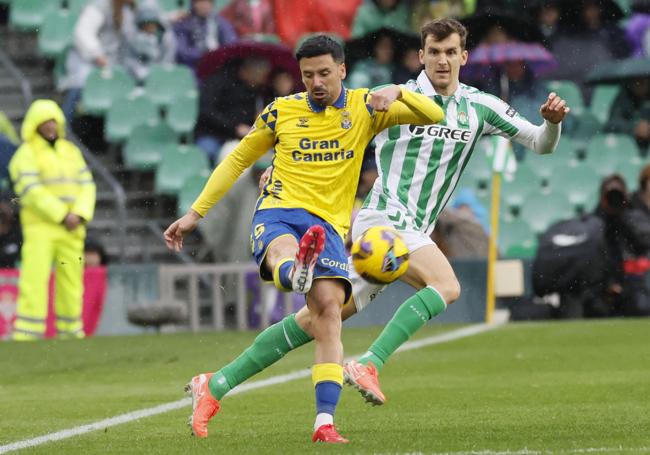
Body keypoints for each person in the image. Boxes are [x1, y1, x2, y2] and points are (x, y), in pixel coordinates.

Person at [163, 35, 443, 443]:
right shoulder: (282, 111)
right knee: (285, 254)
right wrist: (194, 213)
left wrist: (399, 90)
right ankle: (295, 272)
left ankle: (323, 424)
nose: (316, 82)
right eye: (308, 74)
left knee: (328, 315)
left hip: (329, 227)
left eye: (325, 73)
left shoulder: (366, 107)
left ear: (342, 70)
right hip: (279, 209)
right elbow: (240, 157)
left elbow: (432, 114)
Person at [9, 100, 96, 340]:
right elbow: (30, 190)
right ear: (34, 125)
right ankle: (27, 334)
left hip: (72, 228)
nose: (50, 127)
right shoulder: (25, 154)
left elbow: (87, 185)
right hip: (40, 228)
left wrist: (79, 214)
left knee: (72, 282)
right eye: (45, 122)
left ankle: (70, 331)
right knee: (34, 280)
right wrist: (62, 214)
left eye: (54, 122)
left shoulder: (71, 151)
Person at [60, 0, 137, 120]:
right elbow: (82, 33)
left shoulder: (127, 11)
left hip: (112, 61)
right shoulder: (100, 6)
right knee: (81, 82)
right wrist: (98, 55)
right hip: (86, 60)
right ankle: (65, 123)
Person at [194, 57, 271, 164]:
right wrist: (235, 127)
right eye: (260, 76)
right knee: (208, 153)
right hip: (212, 134)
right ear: (248, 71)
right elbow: (207, 112)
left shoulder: (257, 91)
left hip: (240, 139)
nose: (263, 80)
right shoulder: (218, 81)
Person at [173, 0, 238, 71]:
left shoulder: (220, 22)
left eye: (208, 2)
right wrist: (203, 54)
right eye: (200, 2)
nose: (204, 5)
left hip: (218, 64)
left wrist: (217, 55)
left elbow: (231, 44)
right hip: (193, 67)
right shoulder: (184, 23)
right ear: (194, 4)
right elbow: (182, 50)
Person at [121, 4, 176, 82]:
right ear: (140, 25)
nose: (149, 28)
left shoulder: (166, 39)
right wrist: (139, 71)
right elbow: (127, 59)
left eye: (152, 24)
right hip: (134, 79)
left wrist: (155, 73)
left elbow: (167, 61)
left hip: (159, 80)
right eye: (146, 24)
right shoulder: (131, 38)